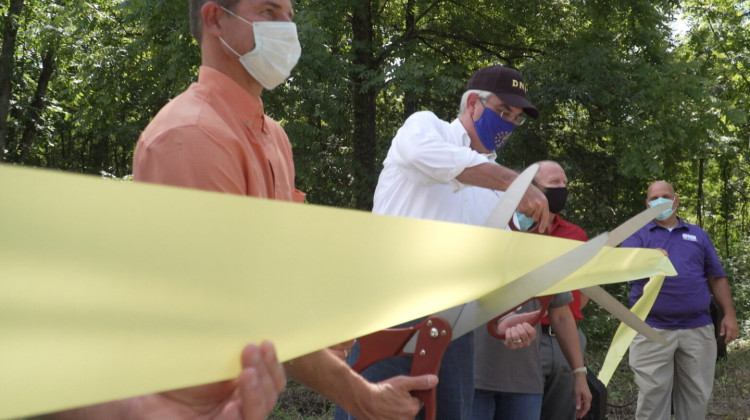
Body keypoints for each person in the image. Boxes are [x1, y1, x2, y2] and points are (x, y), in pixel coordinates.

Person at [47, 1, 438, 419]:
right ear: (215, 18)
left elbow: (284, 270)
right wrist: (361, 396)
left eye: (290, 16)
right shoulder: (191, 135)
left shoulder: (274, 136)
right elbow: (242, 308)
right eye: (268, 12)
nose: (288, 29)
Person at [335, 65, 550, 420]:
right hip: (389, 313)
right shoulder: (424, 128)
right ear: (471, 104)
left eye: (515, 119)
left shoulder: (497, 196)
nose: (508, 125)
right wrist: (513, 184)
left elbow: (492, 276)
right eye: (502, 111)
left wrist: (506, 318)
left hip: (454, 331)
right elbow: (433, 158)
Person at [471, 160, 591, 420]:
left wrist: (579, 375)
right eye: (553, 184)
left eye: (564, 184)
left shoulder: (546, 247)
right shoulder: (478, 230)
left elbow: (561, 313)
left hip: (525, 382)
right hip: (473, 376)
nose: (560, 190)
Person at [622, 180, 739, 420]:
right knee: (653, 397)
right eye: (654, 198)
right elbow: (624, 267)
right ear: (647, 204)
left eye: (666, 196)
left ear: (676, 201)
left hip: (697, 328)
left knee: (696, 397)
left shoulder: (697, 235)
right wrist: (648, 259)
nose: (660, 201)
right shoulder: (636, 235)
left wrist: (729, 314)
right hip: (650, 329)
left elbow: (716, 277)